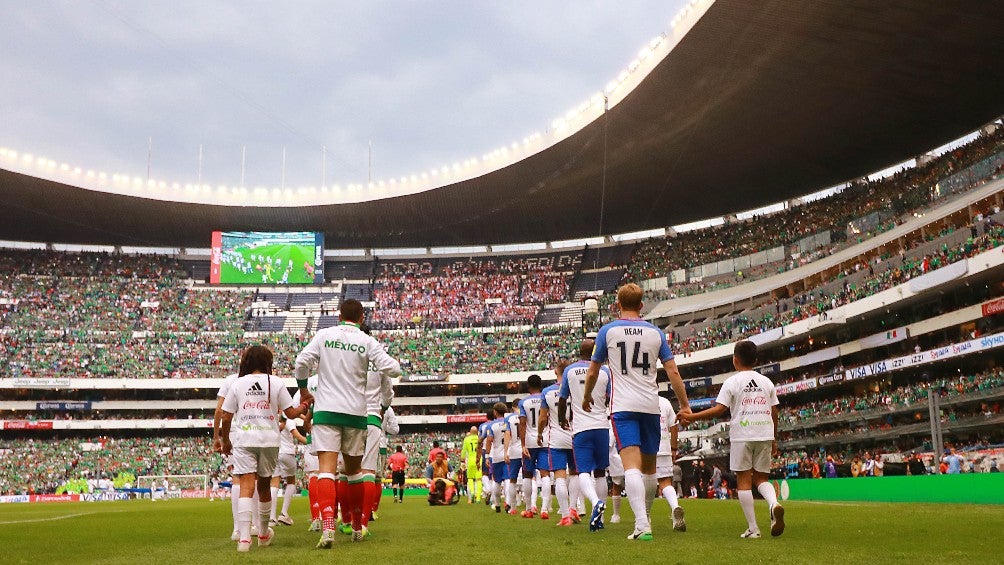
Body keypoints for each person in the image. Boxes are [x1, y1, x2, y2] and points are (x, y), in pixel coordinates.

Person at [583, 283, 692, 541]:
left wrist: (587, 396)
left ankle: (642, 524)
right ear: (641, 306)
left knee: (631, 466)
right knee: (651, 470)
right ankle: (647, 517)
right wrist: (684, 404)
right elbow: (673, 372)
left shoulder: (607, 331)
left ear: (617, 305)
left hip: (623, 408)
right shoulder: (655, 333)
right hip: (650, 406)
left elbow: (593, 370)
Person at [293, 299, 402, 546]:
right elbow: (393, 369)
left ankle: (329, 526)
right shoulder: (366, 340)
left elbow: (301, 364)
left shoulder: (324, 335)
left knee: (326, 471)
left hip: (326, 412)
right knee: (355, 473)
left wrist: (303, 391)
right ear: (362, 318)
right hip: (355, 413)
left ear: (338, 315)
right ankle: (355, 527)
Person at [679, 340, 784, 539]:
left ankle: (753, 528)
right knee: (761, 479)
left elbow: (719, 410)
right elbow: (774, 411)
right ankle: (773, 504)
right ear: (756, 360)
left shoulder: (732, 382)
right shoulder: (766, 382)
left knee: (744, 481)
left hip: (742, 435)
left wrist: (691, 417)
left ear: (735, 360)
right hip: (764, 433)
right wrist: (774, 438)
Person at [219, 345, 306, 552]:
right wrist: (304, 407)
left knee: (246, 487)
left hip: (244, 440)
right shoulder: (275, 382)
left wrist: (225, 440)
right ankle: (264, 532)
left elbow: (226, 415)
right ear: (268, 362)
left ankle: (244, 538)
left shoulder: (238, 384)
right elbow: (291, 413)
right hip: (268, 440)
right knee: (264, 487)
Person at [557, 338, 612, 532]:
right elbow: (609, 398)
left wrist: (562, 418)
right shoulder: (605, 371)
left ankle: (596, 502)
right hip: (601, 425)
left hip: (581, 427)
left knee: (582, 472)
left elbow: (562, 399)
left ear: (578, 352)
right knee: (600, 472)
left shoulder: (570, 371)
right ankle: (600, 518)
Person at [359, 323, 396, 530]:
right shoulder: (376, 357)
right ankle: (363, 521)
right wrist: (383, 408)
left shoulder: (340, 354)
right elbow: (388, 393)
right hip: (372, 417)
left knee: (345, 472)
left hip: (346, 415)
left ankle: (343, 517)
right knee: (369, 472)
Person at [539, 359, 578, 527]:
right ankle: (573, 508)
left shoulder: (547, 392)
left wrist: (540, 433)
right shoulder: (576, 388)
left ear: (556, 372)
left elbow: (542, 418)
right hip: (575, 434)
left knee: (560, 476)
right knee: (576, 473)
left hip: (556, 437)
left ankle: (565, 516)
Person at [655, 394, 686, 531]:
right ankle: (675, 507)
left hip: (647, 448)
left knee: (647, 482)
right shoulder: (665, 402)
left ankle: (645, 518)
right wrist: (673, 448)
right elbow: (674, 426)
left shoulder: (640, 398)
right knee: (665, 482)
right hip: (664, 447)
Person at [518, 374, 547, 518]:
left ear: (528, 386)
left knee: (528, 475)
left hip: (530, 442)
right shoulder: (545, 397)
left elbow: (522, 424)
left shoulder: (523, 402)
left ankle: (529, 509)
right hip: (545, 439)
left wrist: (523, 444)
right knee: (545, 474)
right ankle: (544, 510)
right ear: (541, 385)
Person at [270, 415, 300, 527]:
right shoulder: (288, 417)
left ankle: (272, 518)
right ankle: (284, 513)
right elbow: (295, 433)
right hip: (287, 452)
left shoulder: (271, 416)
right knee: (291, 481)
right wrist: (308, 441)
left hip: (274, 451)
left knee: (274, 483)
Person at [484, 402, 510, 513]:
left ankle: (497, 504)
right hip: (508, 453)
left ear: (495, 412)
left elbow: (489, 440)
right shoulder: (508, 421)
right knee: (508, 479)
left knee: (496, 481)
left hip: (496, 456)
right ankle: (508, 503)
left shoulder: (491, 425)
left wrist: (486, 456)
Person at [503, 399, 524, 515]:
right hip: (526, 448)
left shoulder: (509, 418)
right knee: (530, 478)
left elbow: (507, 435)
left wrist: (506, 452)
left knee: (512, 480)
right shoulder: (525, 415)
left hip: (515, 450)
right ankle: (531, 507)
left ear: (513, 407)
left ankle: (513, 507)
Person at [461, 426, 482, 503]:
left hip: (470, 459)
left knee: (470, 478)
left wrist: (462, 459)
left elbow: (463, 451)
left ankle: (472, 492)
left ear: (470, 431)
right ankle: (478, 497)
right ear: (477, 432)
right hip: (479, 459)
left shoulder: (467, 439)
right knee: (478, 479)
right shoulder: (479, 438)